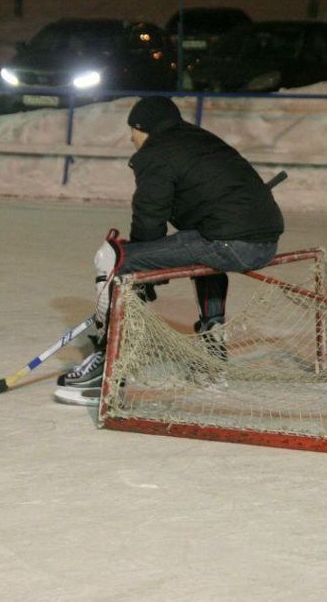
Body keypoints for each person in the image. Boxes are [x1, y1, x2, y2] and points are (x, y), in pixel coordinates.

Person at [58, 95, 285, 389]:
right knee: (204, 259)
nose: (130, 138)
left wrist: (142, 274)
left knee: (112, 257)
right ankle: (212, 348)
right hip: (264, 241)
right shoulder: (199, 140)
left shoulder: (157, 153)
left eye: (133, 130)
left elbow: (149, 218)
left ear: (145, 128)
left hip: (230, 242)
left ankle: (108, 360)